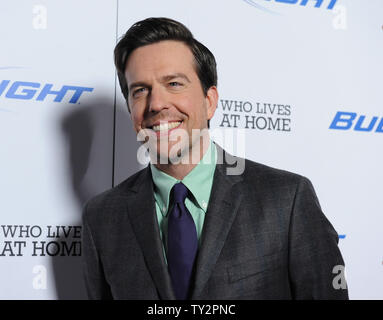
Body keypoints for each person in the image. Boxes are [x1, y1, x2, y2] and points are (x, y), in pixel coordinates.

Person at [82, 17, 348, 300]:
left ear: (209, 101)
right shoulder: (101, 217)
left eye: (173, 83)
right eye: (140, 90)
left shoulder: (287, 199)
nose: (156, 103)